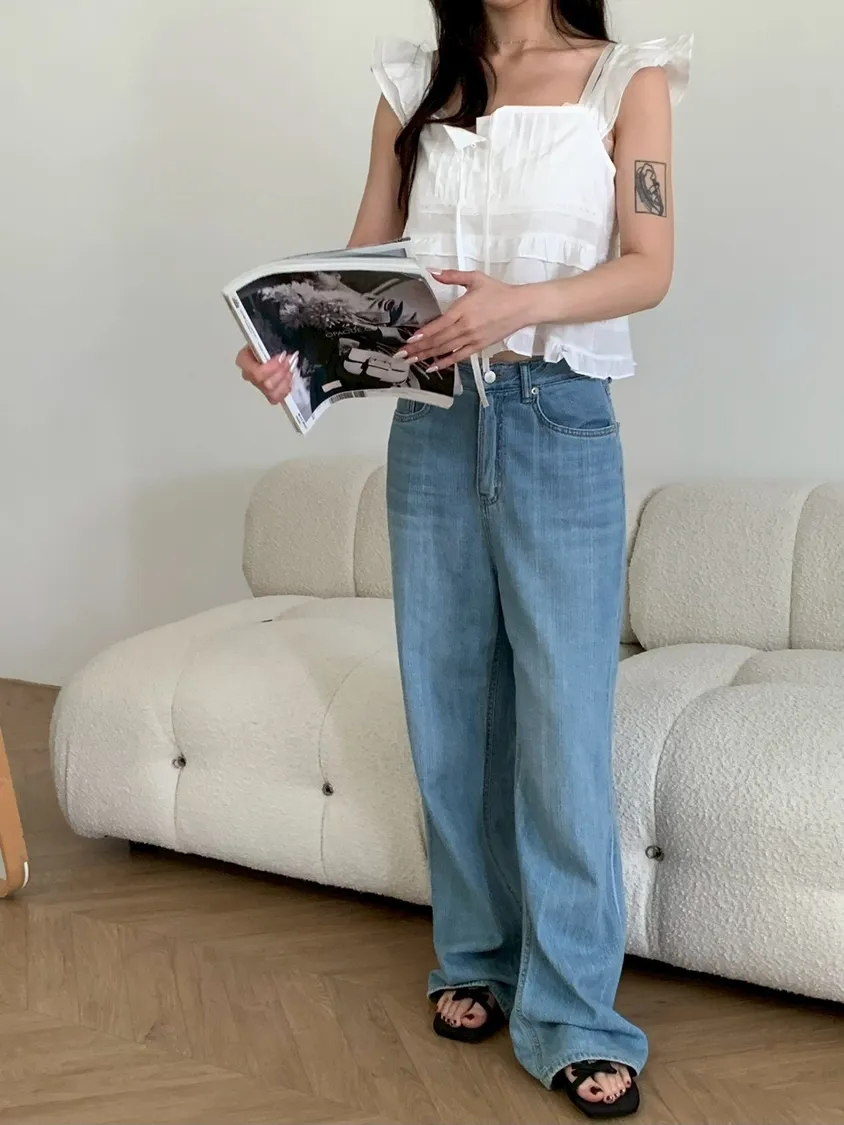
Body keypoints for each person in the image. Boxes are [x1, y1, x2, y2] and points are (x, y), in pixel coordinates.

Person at [237, 1, 691, 1116]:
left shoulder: (625, 77)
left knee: (563, 724)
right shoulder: (414, 86)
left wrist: (523, 306)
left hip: (558, 416)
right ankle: (475, 957)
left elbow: (649, 266)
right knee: (448, 707)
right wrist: (294, 352)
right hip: (432, 426)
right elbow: (360, 270)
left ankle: (577, 1015)